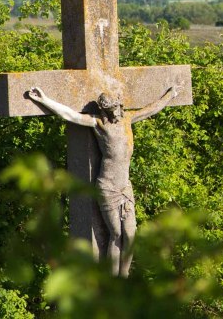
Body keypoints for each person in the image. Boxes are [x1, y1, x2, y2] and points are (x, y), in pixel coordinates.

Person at [26, 85, 178, 276]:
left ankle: (124, 275)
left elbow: (152, 108)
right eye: (108, 111)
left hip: (125, 186)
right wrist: (44, 100)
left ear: (120, 106)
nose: (113, 114)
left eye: (114, 109)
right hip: (107, 187)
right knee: (116, 234)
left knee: (130, 235)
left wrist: (170, 95)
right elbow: (70, 115)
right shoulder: (99, 123)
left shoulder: (128, 120)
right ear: (103, 111)